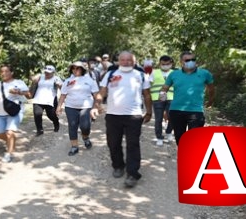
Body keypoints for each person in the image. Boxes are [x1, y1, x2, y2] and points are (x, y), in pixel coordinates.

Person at [99, 51, 152, 188]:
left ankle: (132, 173)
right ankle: (118, 166)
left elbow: (146, 95)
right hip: (112, 115)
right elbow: (102, 92)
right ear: (118, 61)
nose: (126, 62)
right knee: (113, 143)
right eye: (123, 60)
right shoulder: (110, 74)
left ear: (134, 62)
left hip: (134, 116)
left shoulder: (141, 75)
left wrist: (149, 111)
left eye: (129, 60)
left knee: (133, 144)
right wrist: (96, 105)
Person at [160, 51, 214, 146]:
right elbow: (164, 88)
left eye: (193, 59)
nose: (191, 61)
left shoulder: (205, 73)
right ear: (181, 61)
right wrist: (163, 99)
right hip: (176, 111)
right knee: (180, 140)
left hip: (196, 111)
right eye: (188, 60)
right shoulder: (174, 74)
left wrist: (210, 101)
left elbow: (211, 89)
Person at [0, 64, 31, 163]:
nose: (4, 73)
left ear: (12, 72)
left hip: (15, 111)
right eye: (2, 71)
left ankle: (9, 154)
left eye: (6, 71)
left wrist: (18, 92)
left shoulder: (19, 82)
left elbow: (28, 94)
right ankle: (11, 142)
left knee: (10, 132)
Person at [56, 61, 102, 156]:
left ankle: (85, 138)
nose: (75, 70)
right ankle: (74, 147)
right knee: (72, 126)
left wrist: (97, 106)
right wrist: (59, 106)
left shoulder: (89, 80)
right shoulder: (67, 81)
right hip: (70, 107)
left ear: (82, 69)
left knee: (85, 127)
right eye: (73, 68)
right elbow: (63, 94)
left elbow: (95, 95)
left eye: (78, 68)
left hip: (86, 107)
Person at [30, 65, 63, 136]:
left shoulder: (56, 78)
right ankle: (39, 130)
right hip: (38, 99)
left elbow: (62, 89)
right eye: (46, 72)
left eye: (49, 72)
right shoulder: (40, 77)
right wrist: (34, 80)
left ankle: (56, 123)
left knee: (51, 115)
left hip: (50, 100)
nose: (47, 74)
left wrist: (59, 85)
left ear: (53, 72)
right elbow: (32, 79)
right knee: (37, 114)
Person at [149, 55, 175, 146]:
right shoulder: (154, 72)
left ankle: (168, 131)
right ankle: (159, 137)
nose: (165, 66)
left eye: (167, 64)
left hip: (171, 98)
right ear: (160, 63)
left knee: (172, 116)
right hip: (157, 98)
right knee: (158, 119)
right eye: (163, 64)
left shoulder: (175, 73)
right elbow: (148, 85)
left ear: (171, 64)